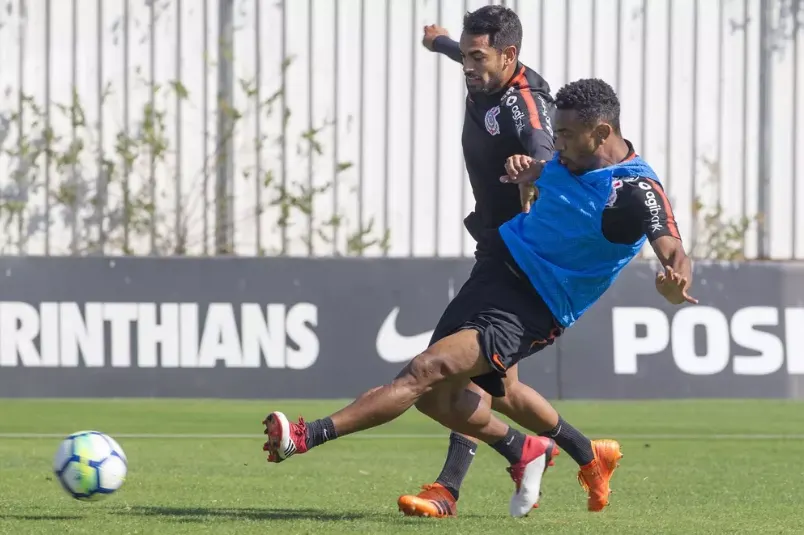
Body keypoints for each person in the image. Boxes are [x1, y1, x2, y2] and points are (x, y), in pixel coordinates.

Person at [262, 77, 696, 517]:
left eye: (564, 134)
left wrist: (674, 285)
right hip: (495, 272)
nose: (556, 142)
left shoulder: (636, 190)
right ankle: (531, 450)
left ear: (601, 132)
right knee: (437, 399)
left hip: (535, 304)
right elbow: (553, 171)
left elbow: (673, 249)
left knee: (425, 370)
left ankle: (305, 436)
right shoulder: (571, 158)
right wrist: (532, 171)